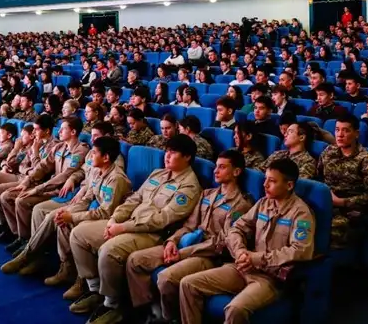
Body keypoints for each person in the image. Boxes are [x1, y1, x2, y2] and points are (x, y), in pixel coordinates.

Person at [68, 135, 202, 322]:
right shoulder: (158, 173)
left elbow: (162, 220)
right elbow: (134, 199)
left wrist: (122, 227)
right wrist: (114, 219)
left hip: (153, 235)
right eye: (167, 151)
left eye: (173, 152)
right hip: (128, 223)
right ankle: (94, 289)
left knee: (109, 250)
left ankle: (113, 304)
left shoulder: (189, 186)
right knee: (79, 234)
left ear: (187, 157)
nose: (167, 155)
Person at [179, 158, 315, 324]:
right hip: (243, 266)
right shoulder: (263, 203)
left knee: (235, 309)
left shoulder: (301, 213)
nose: (265, 185)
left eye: (272, 181)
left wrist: (256, 258)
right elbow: (236, 229)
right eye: (265, 179)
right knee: (188, 284)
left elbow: (300, 250)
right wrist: (240, 252)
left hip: (270, 278)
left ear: (289, 185)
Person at [126, 149, 253, 323]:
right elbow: (190, 225)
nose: (215, 171)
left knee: (166, 278)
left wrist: (184, 252)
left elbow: (222, 242)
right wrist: (172, 241)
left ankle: (171, 318)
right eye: (216, 166)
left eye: (222, 167)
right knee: (135, 260)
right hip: (185, 244)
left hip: (208, 255)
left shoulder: (241, 205)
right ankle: (150, 312)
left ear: (236, 172)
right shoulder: (207, 194)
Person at [0, 137, 132, 279]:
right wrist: (70, 209)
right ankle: (32, 255)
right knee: (56, 215)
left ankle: (52, 263)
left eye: (94, 153)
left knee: (63, 220)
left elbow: (105, 212)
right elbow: (88, 197)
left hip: (111, 218)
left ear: (106, 157)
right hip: (93, 207)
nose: (91, 156)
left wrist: (73, 216)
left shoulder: (116, 178)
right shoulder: (96, 171)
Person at [2, 116, 90, 254]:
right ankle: (24, 238)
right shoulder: (59, 147)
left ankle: (35, 248)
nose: (59, 132)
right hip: (50, 187)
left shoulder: (80, 150)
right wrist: (28, 180)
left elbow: (66, 175)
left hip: (62, 192)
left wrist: (37, 189)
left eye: (63, 129)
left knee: (23, 201)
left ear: (73, 132)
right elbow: (43, 166)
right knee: (16, 198)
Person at [318, 115, 368, 249]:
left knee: (323, 228)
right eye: (337, 130)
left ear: (356, 134)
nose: (340, 135)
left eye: (346, 130)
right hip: (325, 204)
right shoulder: (328, 151)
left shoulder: (366, 159)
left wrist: (341, 202)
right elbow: (317, 178)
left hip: (349, 212)